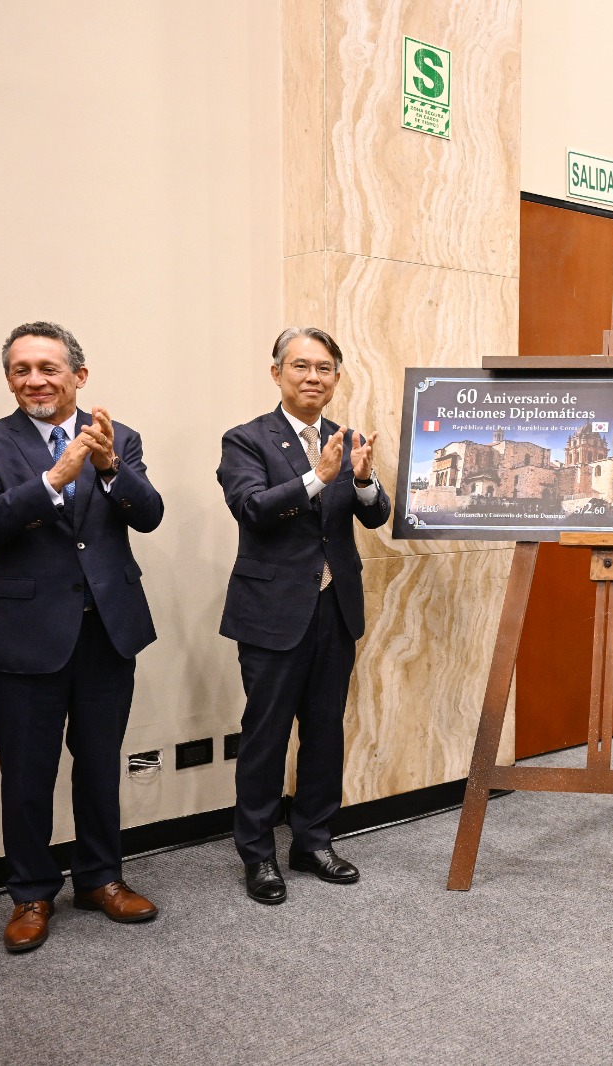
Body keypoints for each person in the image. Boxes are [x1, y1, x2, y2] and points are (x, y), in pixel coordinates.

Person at [0, 322, 164, 953]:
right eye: (21, 369)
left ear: (79, 374)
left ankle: (101, 878)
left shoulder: (118, 438)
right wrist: (51, 480)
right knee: (26, 773)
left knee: (99, 764)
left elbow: (148, 514)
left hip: (107, 631)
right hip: (22, 640)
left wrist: (107, 467)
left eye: (48, 368)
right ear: (10, 378)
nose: (35, 380)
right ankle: (31, 892)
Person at [218, 327, 390, 904]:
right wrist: (319, 476)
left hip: (333, 609)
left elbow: (374, 515)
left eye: (324, 368)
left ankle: (314, 840)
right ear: (277, 374)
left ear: (336, 378)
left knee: (325, 731)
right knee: (265, 737)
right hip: (271, 612)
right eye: (300, 367)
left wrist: (361, 480)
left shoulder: (350, 439)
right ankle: (259, 854)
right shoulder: (245, 440)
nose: (312, 377)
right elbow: (253, 509)